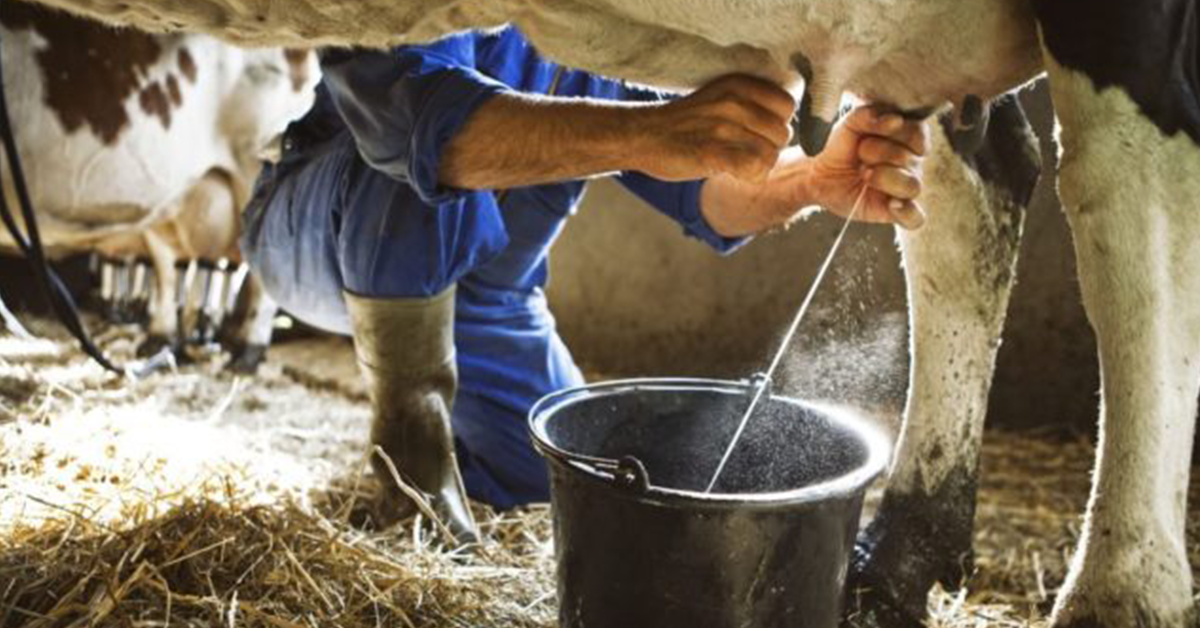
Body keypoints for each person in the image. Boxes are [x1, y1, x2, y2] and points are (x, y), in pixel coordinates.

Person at [241, 26, 928, 542]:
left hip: (488, 302)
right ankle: (410, 462)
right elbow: (419, 127)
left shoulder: (603, 30)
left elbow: (708, 194)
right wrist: (654, 133)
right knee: (418, 158)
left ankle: (466, 457)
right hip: (316, 229)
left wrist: (810, 179)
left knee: (564, 482)